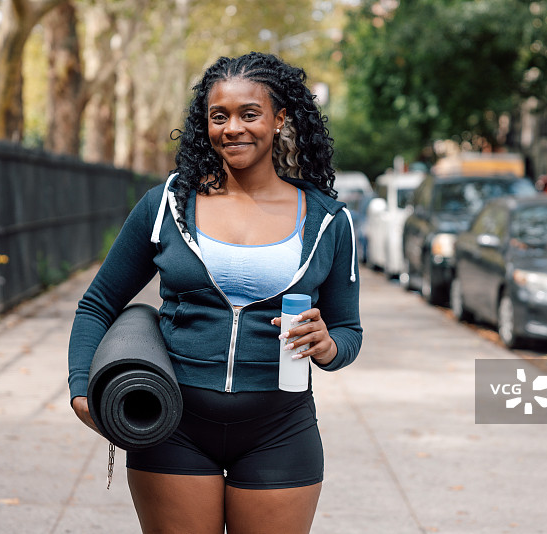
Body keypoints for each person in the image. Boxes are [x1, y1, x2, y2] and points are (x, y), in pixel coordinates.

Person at [67, 51, 362, 534]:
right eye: (219, 115)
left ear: (279, 119)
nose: (233, 128)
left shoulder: (329, 220)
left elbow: (349, 331)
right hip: (172, 425)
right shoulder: (167, 204)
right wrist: (82, 387)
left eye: (250, 113)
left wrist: (330, 347)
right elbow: (98, 303)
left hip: (280, 428)